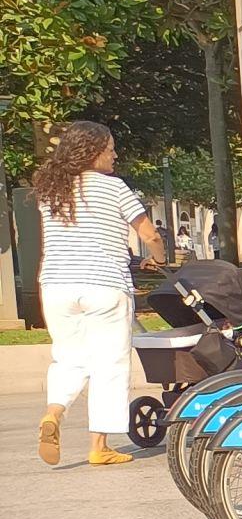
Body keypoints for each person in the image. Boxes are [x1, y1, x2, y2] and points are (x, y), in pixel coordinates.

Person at [31, 121, 163, 467]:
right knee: (110, 364)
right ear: (93, 153)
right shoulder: (115, 188)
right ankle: (99, 446)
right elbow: (149, 234)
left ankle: (54, 412)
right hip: (104, 284)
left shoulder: (50, 191)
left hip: (57, 285)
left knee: (68, 357)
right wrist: (159, 259)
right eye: (110, 149)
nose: (115, 155)